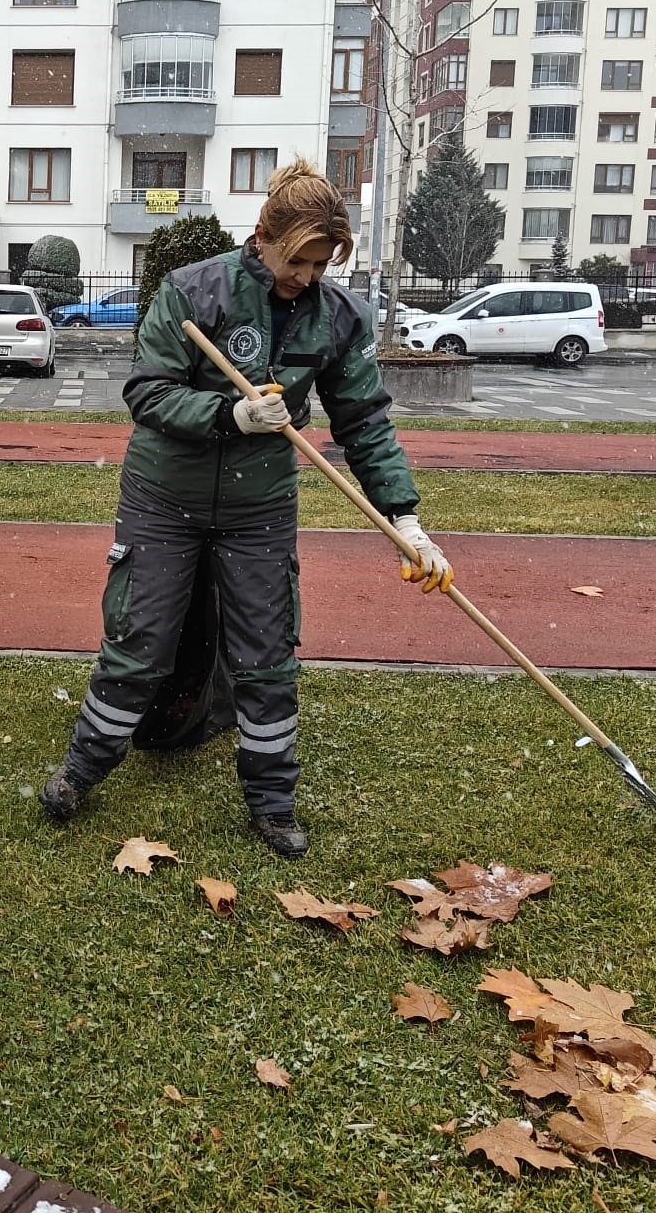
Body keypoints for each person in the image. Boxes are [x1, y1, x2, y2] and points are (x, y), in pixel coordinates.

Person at [39, 159, 454, 857]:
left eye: (322, 265)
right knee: (139, 641)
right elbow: (147, 393)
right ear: (263, 236)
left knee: (267, 654)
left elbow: (365, 423)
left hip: (259, 508)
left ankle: (272, 802)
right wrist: (229, 414)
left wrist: (404, 519)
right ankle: (81, 771)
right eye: (299, 261)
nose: (308, 278)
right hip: (163, 497)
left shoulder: (339, 317)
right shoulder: (192, 291)